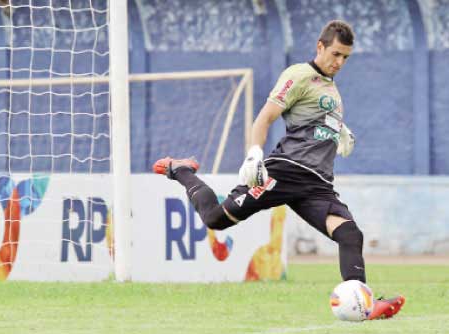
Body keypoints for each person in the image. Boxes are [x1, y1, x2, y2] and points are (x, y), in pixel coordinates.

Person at [153, 20, 404, 320]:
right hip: (285, 172)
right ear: (320, 47)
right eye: (335, 54)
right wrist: (254, 155)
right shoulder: (299, 75)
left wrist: (340, 131)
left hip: (317, 183)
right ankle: (181, 170)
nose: (340, 62)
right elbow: (264, 119)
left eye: (345, 57)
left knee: (350, 234)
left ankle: (364, 304)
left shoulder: (331, 89)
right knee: (215, 219)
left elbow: (315, 122)